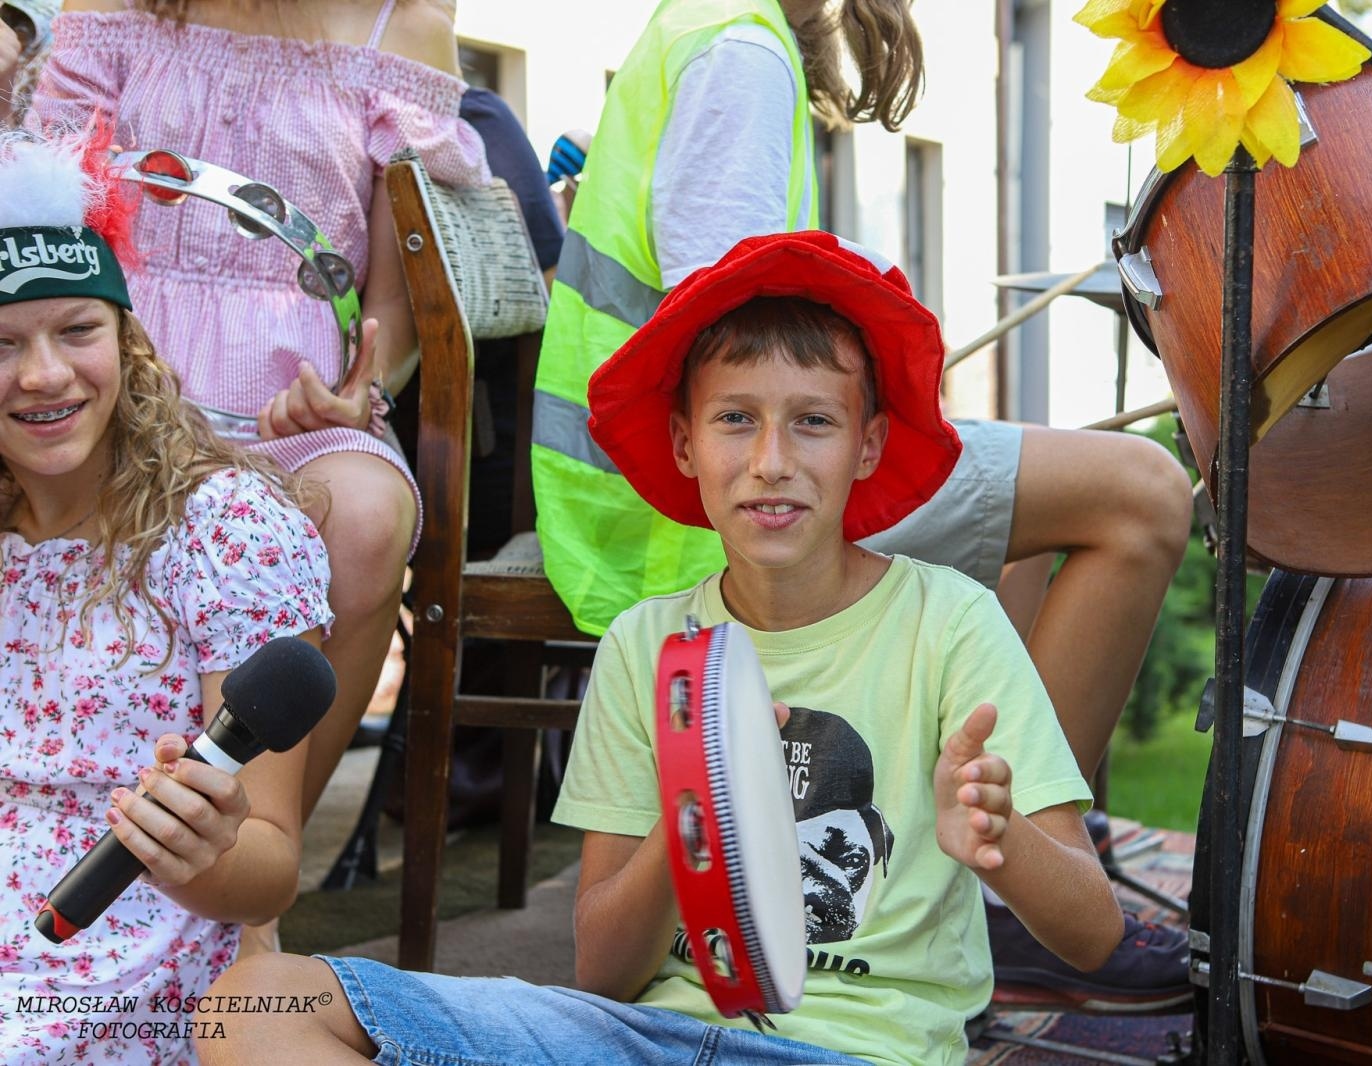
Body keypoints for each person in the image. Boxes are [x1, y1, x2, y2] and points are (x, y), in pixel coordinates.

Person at [198, 230, 1124, 1066]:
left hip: (856, 1052)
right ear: (684, 444)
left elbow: (1093, 934)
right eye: (734, 420)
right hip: (643, 1039)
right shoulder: (649, 644)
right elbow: (602, 969)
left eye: (813, 421)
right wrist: (703, 816)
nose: (771, 460)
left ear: (869, 445)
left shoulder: (950, 622)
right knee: (248, 1006)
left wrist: (1002, 844)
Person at [530, 0, 1193, 996]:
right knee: (1140, 487)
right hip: (665, 526)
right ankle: (1003, 890)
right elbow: (737, 303)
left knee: (1016, 536)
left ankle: (998, 844)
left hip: (628, 493)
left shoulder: (703, 26)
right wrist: (813, 412)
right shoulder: (743, 50)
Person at [29, 0, 491, 933]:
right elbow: (54, 213)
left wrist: (358, 386)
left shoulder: (404, 25)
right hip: (112, 376)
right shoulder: (111, 8)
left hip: (293, 409)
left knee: (366, 516)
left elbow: (396, 310)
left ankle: (242, 874)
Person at [0, 126, 332, 1064]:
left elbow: (268, 870)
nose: (43, 375)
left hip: (124, 955)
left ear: (127, 339)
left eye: (76, 330)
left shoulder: (222, 533)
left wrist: (206, 850)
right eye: (3, 343)